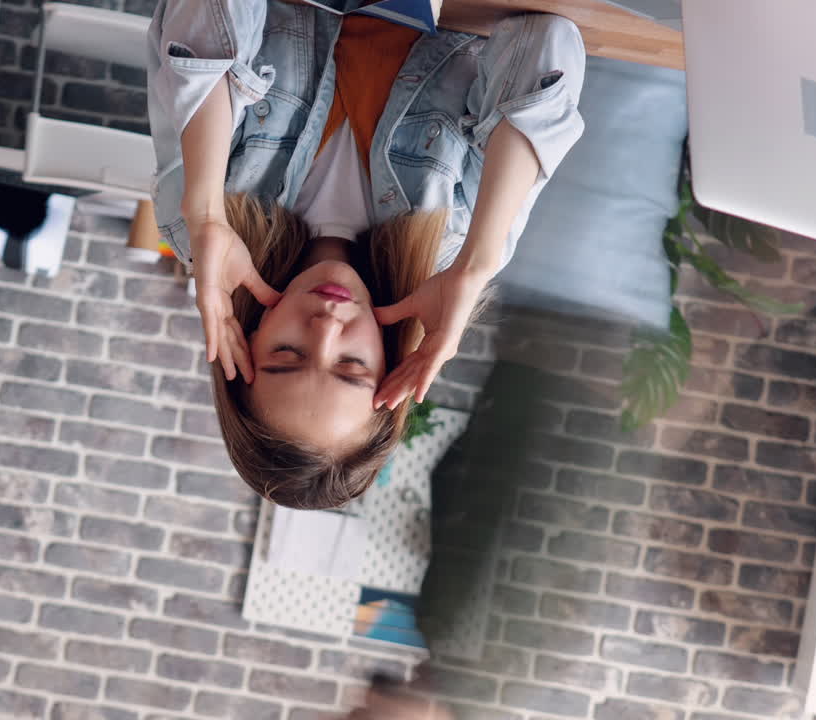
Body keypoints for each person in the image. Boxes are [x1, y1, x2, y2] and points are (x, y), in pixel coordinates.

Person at [146, 0, 585, 509]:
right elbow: (545, 39)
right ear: (390, 365)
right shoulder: (454, 252)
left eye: (287, 354)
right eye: (352, 365)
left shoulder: (203, 227)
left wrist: (204, 212)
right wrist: (476, 263)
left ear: (248, 339)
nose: (327, 325)